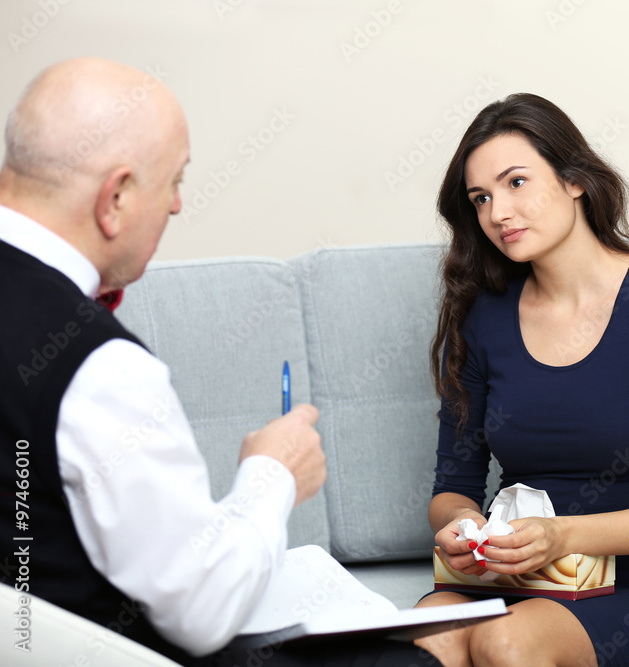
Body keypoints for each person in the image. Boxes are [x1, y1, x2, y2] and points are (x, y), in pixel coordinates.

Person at [0, 58, 440, 667]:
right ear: (117, 197)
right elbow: (201, 609)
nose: (178, 205)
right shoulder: (97, 368)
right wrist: (272, 473)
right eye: (174, 182)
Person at [414, 93, 629, 667]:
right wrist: (464, 526)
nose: (497, 213)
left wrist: (563, 535)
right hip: (504, 580)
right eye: (480, 198)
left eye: (515, 183)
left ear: (575, 179)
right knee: (424, 637)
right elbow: (452, 487)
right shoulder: (482, 317)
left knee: (504, 642)